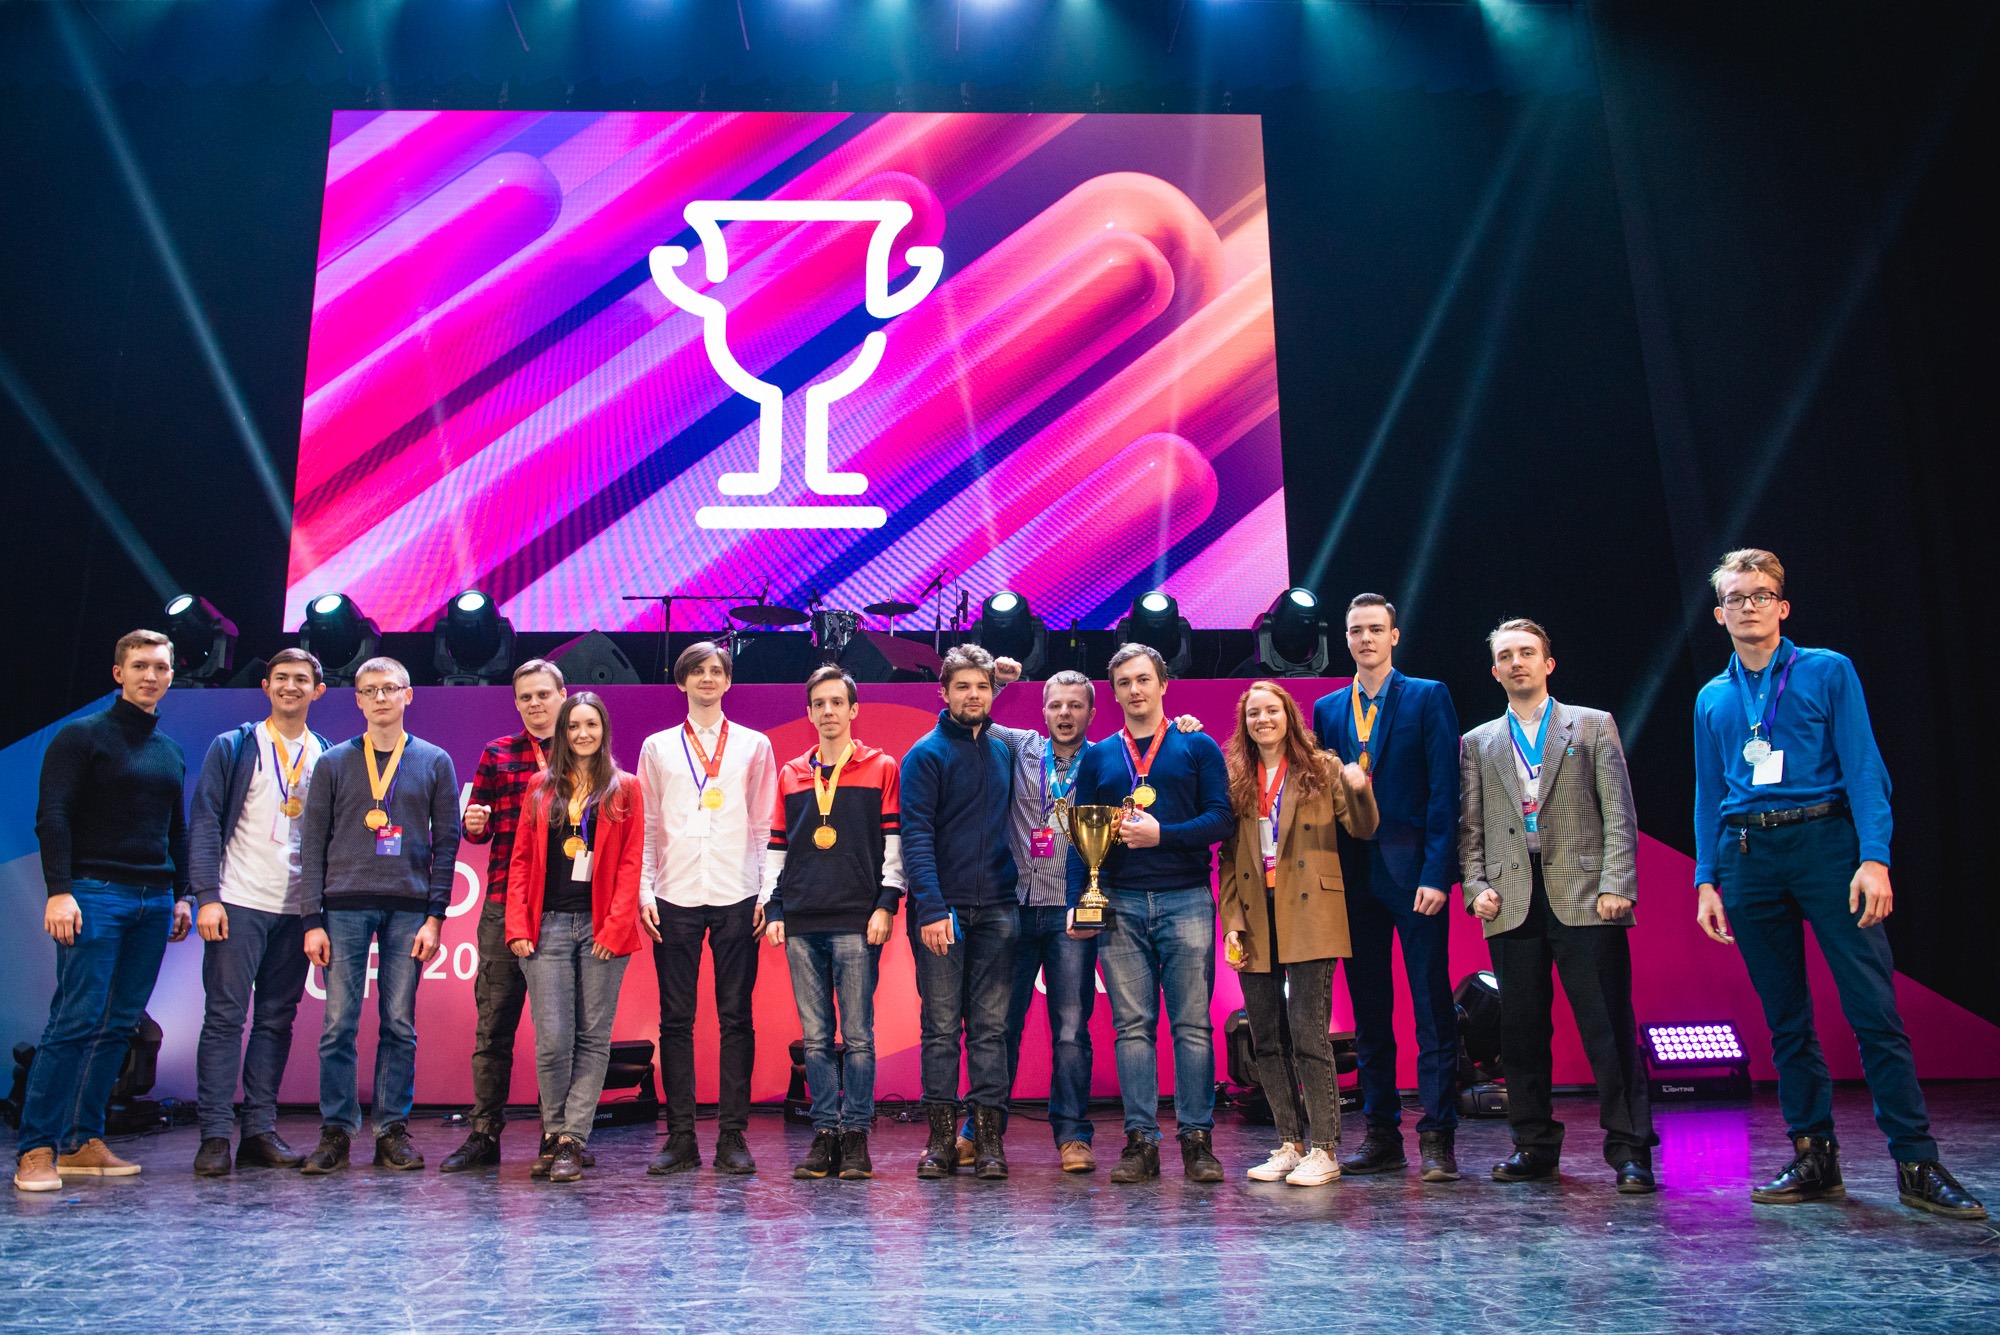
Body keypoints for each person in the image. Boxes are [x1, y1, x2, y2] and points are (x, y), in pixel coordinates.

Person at [1694, 549, 1983, 1219]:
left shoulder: (1827, 670)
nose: (1748, 606)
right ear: (1719, 614)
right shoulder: (1712, 696)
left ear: (1782, 606)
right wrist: (1706, 877)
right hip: (1747, 853)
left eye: (1760, 595)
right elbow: (1709, 793)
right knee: (1786, 1020)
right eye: (1735, 598)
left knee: (1872, 1011)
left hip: (1826, 844)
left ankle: (1916, 1162)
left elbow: (1864, 768)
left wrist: (1874, 858)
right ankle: (1814, 1155)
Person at [966, 663, 1207, 1174]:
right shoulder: (1021, 746)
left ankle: (1073, 1134)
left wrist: (1186, 724)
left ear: (1093, 712)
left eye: (1076, 705)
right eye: (1056, 704)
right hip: (1015, 905)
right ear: (1042, 710)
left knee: (1071, 1030)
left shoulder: (1104, 760)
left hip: (1072, 908)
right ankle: (980, 1129)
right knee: (998, 1026)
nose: (1065, 714)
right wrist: (996, 678)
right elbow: (972, 714)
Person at [1459, 619, 1656, 1193]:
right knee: (1520, 1031)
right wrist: (1474, 886)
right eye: (1505, 656)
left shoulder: (1591, 725)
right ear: (1494, 671)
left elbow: (1619, 811)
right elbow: (1470, 825)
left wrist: (1617, 883)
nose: (1516, 662)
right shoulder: (1479, 741)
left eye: (1527, 652)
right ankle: (1533, 1144)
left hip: (1586, 893)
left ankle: (1630, 1149)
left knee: (1607, 1026)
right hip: (1511, 898)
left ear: (1548, 664)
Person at [15, 630, 193, 1193]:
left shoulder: (170, 750)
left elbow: (176, 829)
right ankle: (36, 1149)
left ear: (171, 676)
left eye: (160, 667)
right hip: (94, 893)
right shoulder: (81, 736)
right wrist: (59, 890)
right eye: (139, 666)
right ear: (118, 673)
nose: (150, 676)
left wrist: (183, 893)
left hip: (154, 900)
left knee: (119, 1025)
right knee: (75, 1021)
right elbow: (53, 816)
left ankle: (81, 1141)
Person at [1064, 643, 1234, 1185]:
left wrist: (1165, 836)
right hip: (1119, 902)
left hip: (1187, 899)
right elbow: (1079, 837)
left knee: (1193, 1027)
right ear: (1113, 694)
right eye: (1124, 683)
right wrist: (1077, 900)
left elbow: (1221, 820)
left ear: (1163, 684)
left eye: (1143, 679)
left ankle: (1197, 1140)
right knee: (1132, 1028)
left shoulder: (1196, 745)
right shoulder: (1098, 757)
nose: (1134, 690)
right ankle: (1141, 1141)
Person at [1312, 593, 1464, 1182]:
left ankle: (1438, 1136)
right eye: (1357, 631)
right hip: (1353, 877)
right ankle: (1382, 1134)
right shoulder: (1328, 708)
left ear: (1394, 636)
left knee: (1431, 1007)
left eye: (1376, 629)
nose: (1366, 639)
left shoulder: (1427, 695)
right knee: (1371, 1013)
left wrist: (1437, 873)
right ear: (1346, 639)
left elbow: (1444, 791)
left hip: (1413, 875)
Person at [298, 657, 460, 1176]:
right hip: (343, 906)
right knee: (338, 1025)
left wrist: (436, 916)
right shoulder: (334, 762)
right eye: (370, 690)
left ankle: (391, 1129)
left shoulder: (434, 760)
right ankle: (336, 1131)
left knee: (399, 1024)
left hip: (410, 909)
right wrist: (311, 918)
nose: (381, 698)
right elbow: (311, 843)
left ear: (408, 695)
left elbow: (447, 843)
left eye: (390, 688)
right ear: (358, 700)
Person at [1220, 681, 1377, 1187]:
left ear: (1290, 716)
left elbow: (1363, 828)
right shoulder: (1237, 778)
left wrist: (1360, 789)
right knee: (1267, 1038)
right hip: (1255, 913)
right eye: (1254, 714)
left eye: (1272, 710)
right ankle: (1290, 1143)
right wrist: (1232, 922)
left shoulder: (1321, 768)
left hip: (1311, 910)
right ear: (1245, 723)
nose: (1263, 720)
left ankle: (1325, 1149)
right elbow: (1228, 859)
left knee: (1309, 1034)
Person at [187, 648, 330, 1176]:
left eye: (301, 679)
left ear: (318, 690)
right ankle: (214, 1135)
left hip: (295, 908)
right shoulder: (235, 745)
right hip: (238, 900)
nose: (290, 686)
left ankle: (259, 1131)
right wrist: (206, 896)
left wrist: (316, 914)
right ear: (265, 686)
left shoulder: (325, 753)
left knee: (275, 1020)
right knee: (225, 1019)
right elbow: (205, 821)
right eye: (281, 678)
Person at [637, 641, 777, 1177]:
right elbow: (649, 824)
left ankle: (733, 1136)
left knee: (736, 1018)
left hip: (737, 892)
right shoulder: (657, 747)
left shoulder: (753, 745)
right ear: (682, 682)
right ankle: (680, 1138)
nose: (707, 679)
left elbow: (764, 823)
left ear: (728, 681)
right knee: (676, 1021)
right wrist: (645, 891)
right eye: (697, 672)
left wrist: (766, 892)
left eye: (716, 671)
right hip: (673, 894)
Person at [763, 666, 905, 1182]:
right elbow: (777, 847)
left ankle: (856, 1135)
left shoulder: (881, 767)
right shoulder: (790, 773)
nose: (828, 711)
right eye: (819, 704)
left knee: (859, 1035)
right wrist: (773, 908)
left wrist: (886, 903)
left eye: (836, 703)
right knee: (816, 1038)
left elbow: (894, 843)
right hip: (801, 921)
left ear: (853, 710)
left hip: (857, 919)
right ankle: (825, 1132)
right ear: (809, 713)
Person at [505, 693, 646, 1183]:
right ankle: (553, 1129)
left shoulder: (625, 788)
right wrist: (517, 925)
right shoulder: (540, 787)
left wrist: (616, 926)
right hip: (546, 926)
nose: (582, 734)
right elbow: (521, 860)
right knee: (553, 1040)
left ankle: (571, 1141)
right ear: (562, 733)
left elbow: (631, 863)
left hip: (601, 928)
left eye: (591, 725)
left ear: (604, 730)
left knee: (592, 1038)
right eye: (573, 726)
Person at [900, 645, 1020, 1180]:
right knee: (941, 1031)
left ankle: (989, 1143)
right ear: (944, 693)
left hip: (999, 909)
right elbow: (916, 836)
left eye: (982, 687)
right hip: (941, 912)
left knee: (991, 1032)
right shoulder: (925, 754)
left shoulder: (1004, 750)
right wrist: (929, 907)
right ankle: (940, 1143)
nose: (974, 695)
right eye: (963, 687)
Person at [442, 659, 566, 1172]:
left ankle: (560, 1136)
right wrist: (474, 824)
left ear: (563, 695)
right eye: (525, 697)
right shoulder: (497, 753)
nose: (535, 704)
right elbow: (478, 831)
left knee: (559, 1031)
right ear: (516, 703)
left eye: (543, 694)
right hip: (503, 902)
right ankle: (484, 1134)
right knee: (493, 1026)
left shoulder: (584, 746)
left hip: (563, 906)